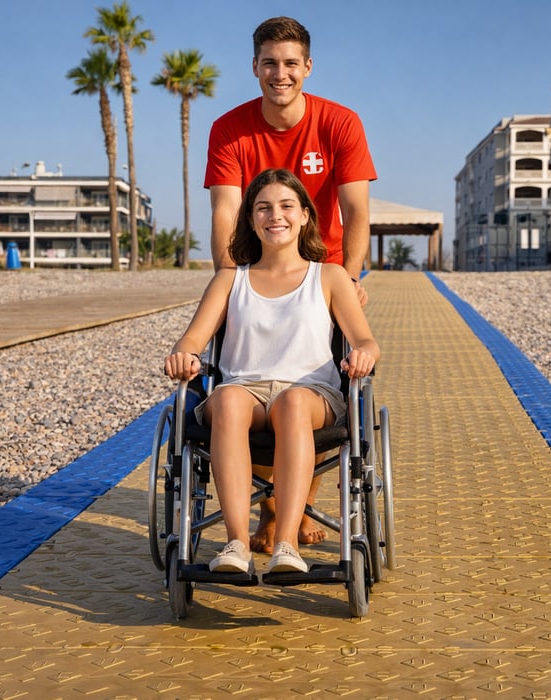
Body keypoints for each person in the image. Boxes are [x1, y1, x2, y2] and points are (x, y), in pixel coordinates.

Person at [204, 16, 377, 552]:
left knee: (308, 378)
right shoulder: (229, 128)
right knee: (250, 380)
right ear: (255, 68)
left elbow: (355, 210)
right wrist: (229, 285)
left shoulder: (340, 123)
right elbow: (225, 214)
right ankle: (264, 519)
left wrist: (345, 278)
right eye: (270, 63)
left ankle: (292, 515)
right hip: (255, 267)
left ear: (307, 67)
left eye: (290, 63)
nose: (281, 74)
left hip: (320, 269)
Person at [165, 169, 380, 574]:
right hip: (244, 391)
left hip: (310, 394)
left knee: (293, 402)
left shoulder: (330, 276)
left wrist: (364, 355)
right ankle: (237, 544)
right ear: (250, 218)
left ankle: (286, 544)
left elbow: (365, 341)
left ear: (304, 216)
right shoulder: (230, 279)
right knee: (226, 399)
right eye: (263, 208)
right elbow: (191, 340)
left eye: (285, 206)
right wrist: (184, 355)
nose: (274, 216)